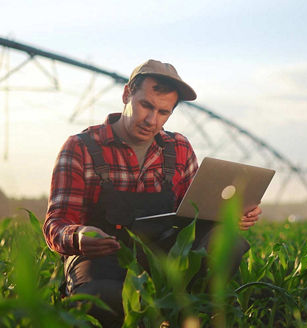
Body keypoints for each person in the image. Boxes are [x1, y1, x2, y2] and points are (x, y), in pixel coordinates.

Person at [43, 59, 261, 327]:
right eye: (145, 105)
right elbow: (57, 223)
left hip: (161, 253)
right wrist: (79, 237)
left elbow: (194, 217)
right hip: (101, 256)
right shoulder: (81, 147)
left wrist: (228, 216)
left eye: (163, 112)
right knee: (103, 299)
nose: (151, 120)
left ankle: (190, 312)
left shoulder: (179, 148)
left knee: (226, 242)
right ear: (126, 94)